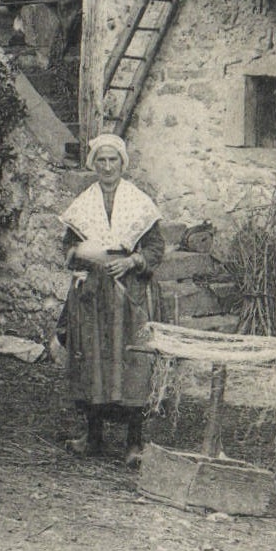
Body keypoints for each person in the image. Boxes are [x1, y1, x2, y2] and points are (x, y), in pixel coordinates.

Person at [60, 133, 164, 469]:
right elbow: (68, 247)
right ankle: (93, 436)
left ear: (122, 163)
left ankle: (134, 441)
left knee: (131, 363)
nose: (107, 167)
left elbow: (155, 248)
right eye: (101, 160)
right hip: (92, 295)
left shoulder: (139, 203)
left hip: (127, 294)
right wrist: (81, 252)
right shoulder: (84, 204)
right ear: (94, 165)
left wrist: (131, 261)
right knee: (92, 361)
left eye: (113, 160)